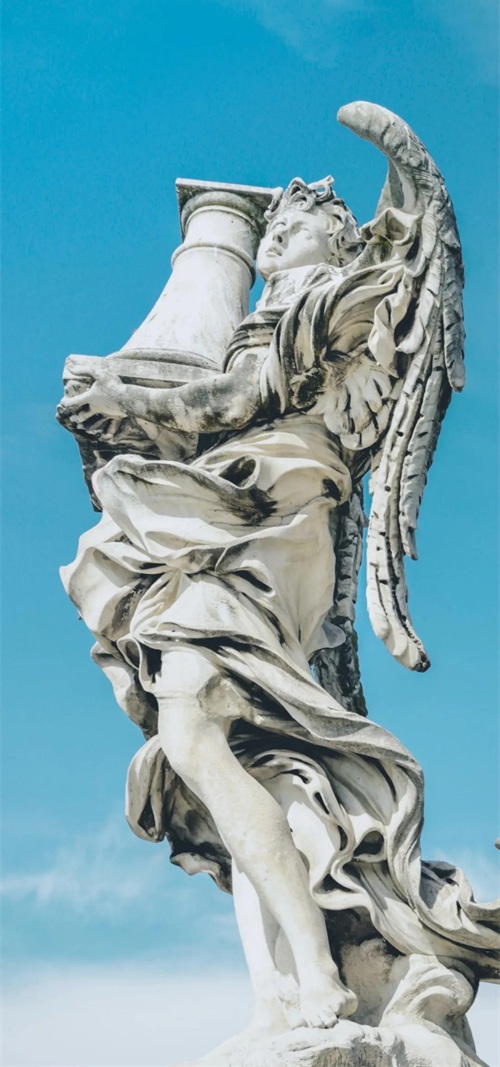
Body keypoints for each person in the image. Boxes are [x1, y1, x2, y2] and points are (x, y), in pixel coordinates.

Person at [59, 177, 499, 1035]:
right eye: (273, 226)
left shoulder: (340, 302)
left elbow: (239, 398)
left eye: (297, 223)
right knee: (251, 764)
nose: (275, 237)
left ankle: (316, 971)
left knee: (193, 725)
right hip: (246, 515)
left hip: (272, 518)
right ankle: (283, 996)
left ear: (339, 239)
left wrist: (127, 400)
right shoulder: (277, 311)